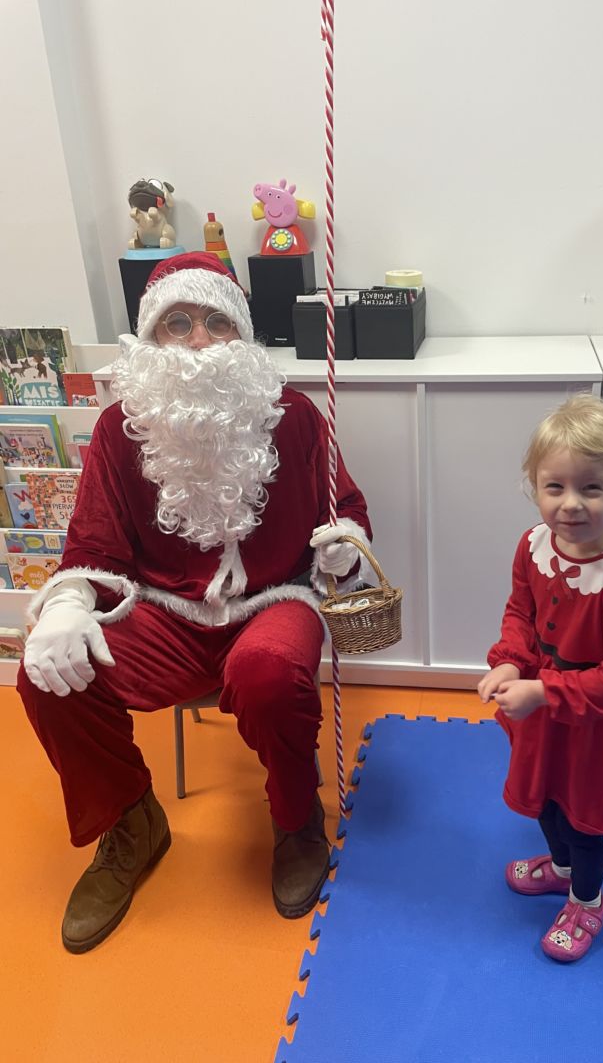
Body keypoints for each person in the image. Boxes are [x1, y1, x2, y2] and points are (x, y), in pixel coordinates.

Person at [18, 251, 373, 953]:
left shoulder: (295, 418)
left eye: (217, 321)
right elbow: (93, 543)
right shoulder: (119, 430)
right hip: (164, 611)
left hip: (275, 599)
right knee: (46, 677)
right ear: (152, 339)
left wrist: (346, 548)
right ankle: (130, 823)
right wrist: (66, 606)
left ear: (242, 335)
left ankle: (296, 819)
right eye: (177, 324)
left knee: (268, 673)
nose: (200, 340)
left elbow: (347, 509)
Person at [478, 394, 603, 963]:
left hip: (599, 720)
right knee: (544, 799)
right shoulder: (533, 545)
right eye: (554, 486)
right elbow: (521, 612)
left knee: (583, 820)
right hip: (544, 709)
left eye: (592, 488)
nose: (571, 504)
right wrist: (509, 661)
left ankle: (587, 898)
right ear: (534, 485)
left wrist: (541, 691)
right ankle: (560, 869)